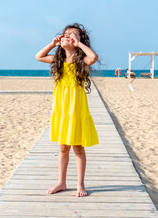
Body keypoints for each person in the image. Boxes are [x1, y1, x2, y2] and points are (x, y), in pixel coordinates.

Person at [35, 23, 99, 197]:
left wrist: (79, 44)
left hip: (76, 109)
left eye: (73, 35)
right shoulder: (57, 60)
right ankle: (61, 182)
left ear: (78, 41)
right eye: (65, 34)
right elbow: (38, 56)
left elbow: (93, 57)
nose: (67, 36)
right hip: (62, 109)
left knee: (78, 147)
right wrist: (52, 44)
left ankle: (80, 184)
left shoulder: (81, 61)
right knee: (63, 147)